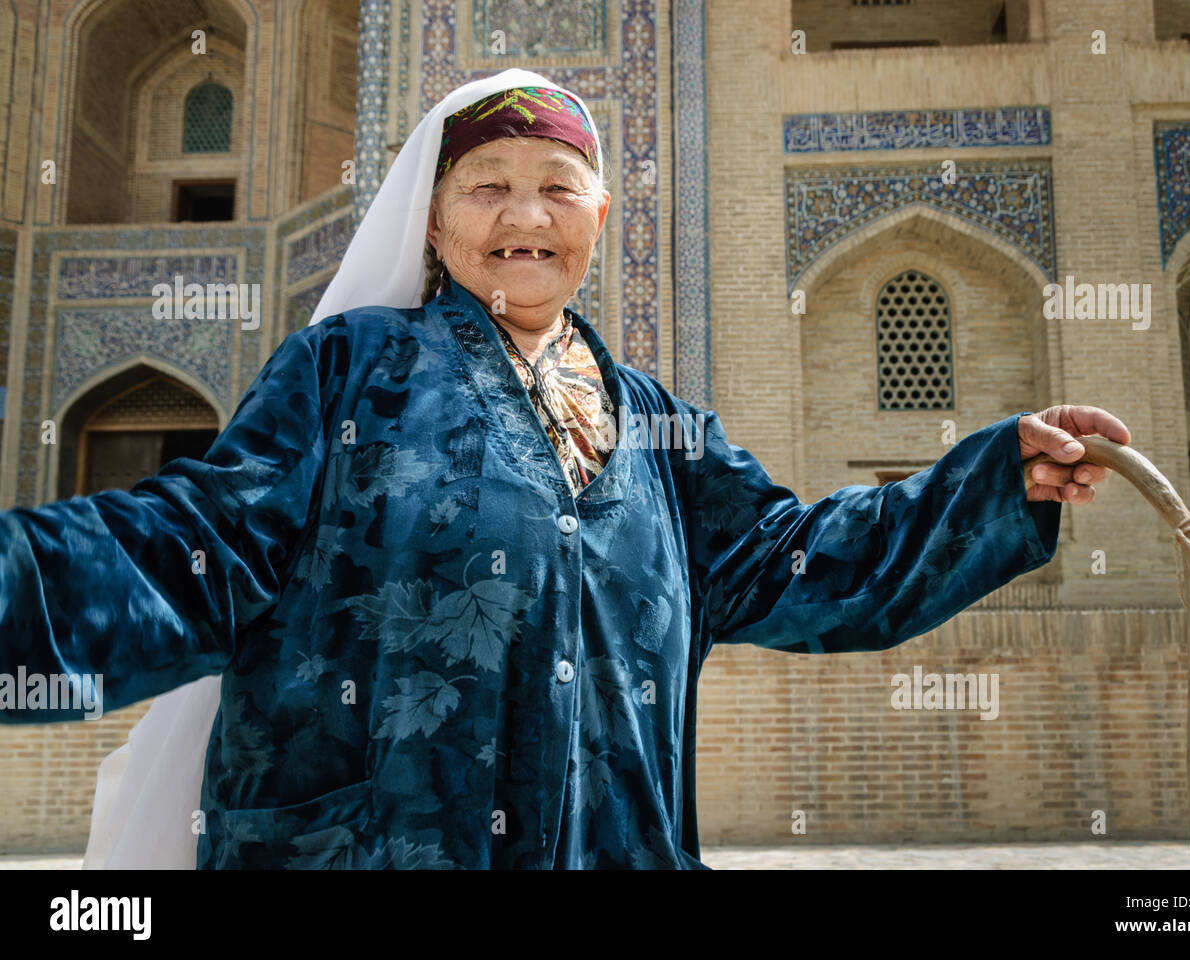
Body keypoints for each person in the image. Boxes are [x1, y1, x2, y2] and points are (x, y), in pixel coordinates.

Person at [1, 69, 1130, 869]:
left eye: (557, 185)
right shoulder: (350, 374)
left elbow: (798, 562)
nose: (524, 215)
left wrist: (991, 484)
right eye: (487, 185)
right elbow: (195, 547)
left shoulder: (653, 425)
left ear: (599, 214)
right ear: (433, 223)